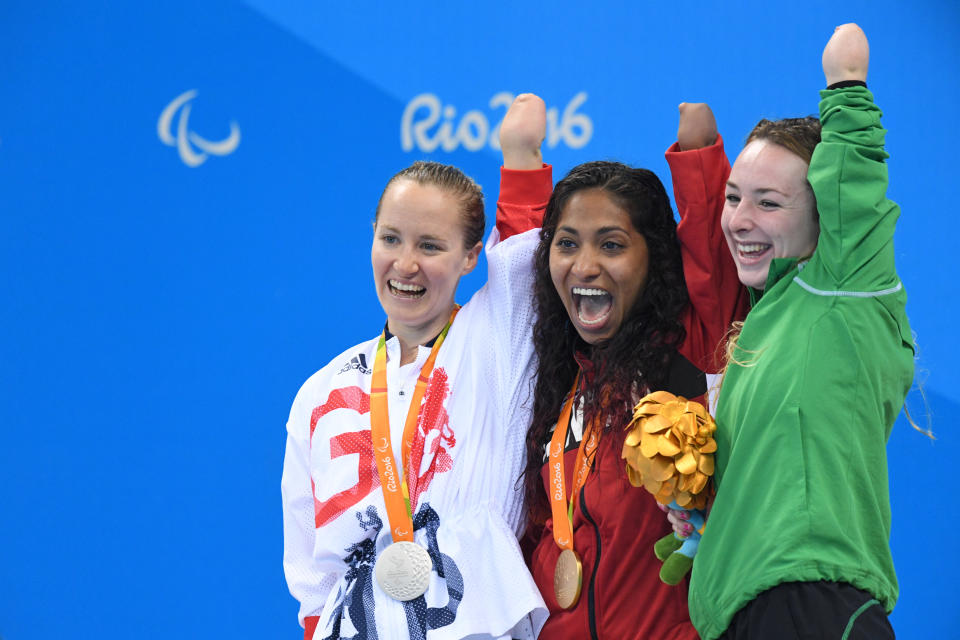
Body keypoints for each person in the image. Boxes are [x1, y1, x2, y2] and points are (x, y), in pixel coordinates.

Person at [281, 95, 553, 640]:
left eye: (430, 245)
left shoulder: (490, 341)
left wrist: (520, 156)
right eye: (391, 239)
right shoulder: (321, 392)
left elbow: (526, 259)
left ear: (470, 256)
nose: (405, 265)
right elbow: (313, 574)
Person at [684, 24, 912, 640]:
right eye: (734, 198)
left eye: (769, 202)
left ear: (823, 217)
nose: (739, 220)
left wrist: (846, 86)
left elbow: (854, 188)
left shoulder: (844, 290)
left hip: (812, 605)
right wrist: (710, 513)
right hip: (749, 612)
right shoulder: (769, 318)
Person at [502, 101, 748, 638]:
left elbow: (711, 248)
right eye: (568, 244)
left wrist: (699, 155)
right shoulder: (553, 372)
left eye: (611, 245)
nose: (584, 265)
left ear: (654, 257)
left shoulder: (691, 347)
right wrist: (520, 161)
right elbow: (519, 268)